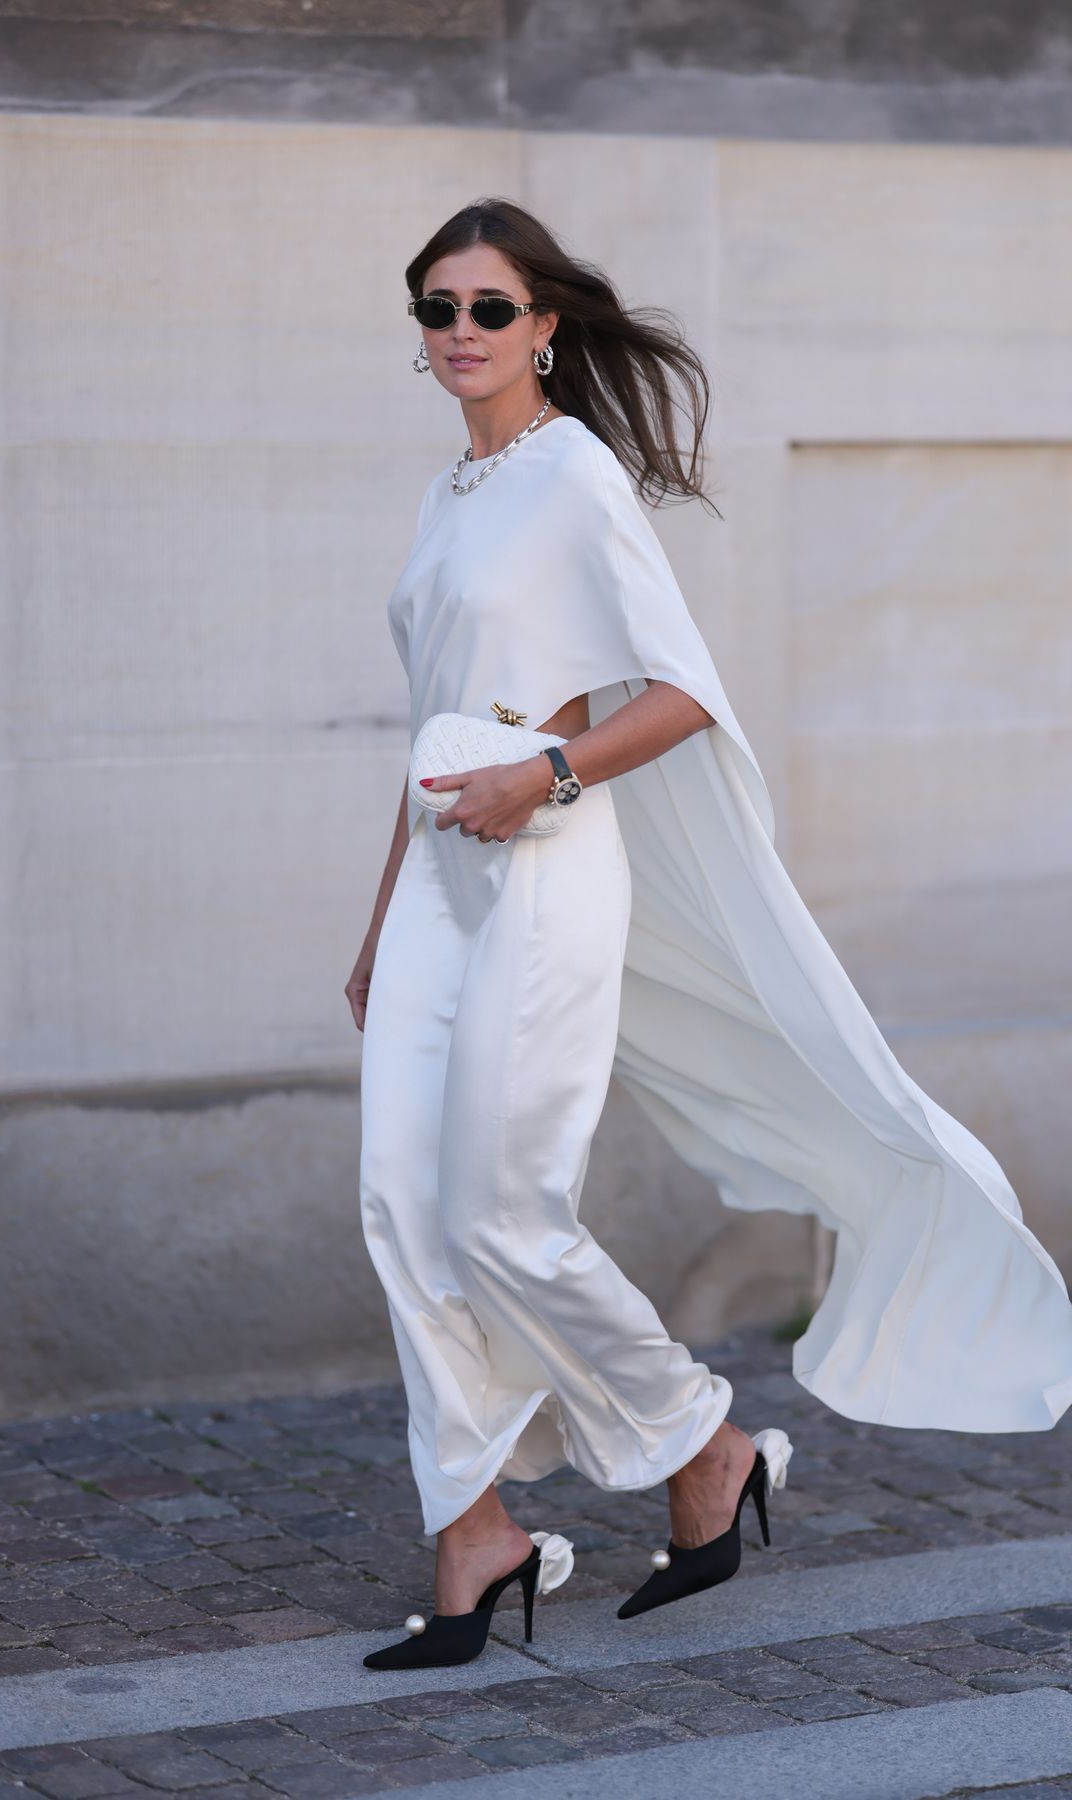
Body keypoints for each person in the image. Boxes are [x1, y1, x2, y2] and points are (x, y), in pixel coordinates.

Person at [346, 197, 1072, 1671]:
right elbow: (420, 737)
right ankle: (473, 1528)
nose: (464, 334)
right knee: (399, 1211)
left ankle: (705, 1448)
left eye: (492, 308)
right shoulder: (445, 500)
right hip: (434, 875)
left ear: (547, 326)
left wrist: (539, 775)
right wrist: (376, 926)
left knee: (500, 1210)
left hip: (545, 863)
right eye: (438, 310)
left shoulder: (574, 479)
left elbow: (680, 695)